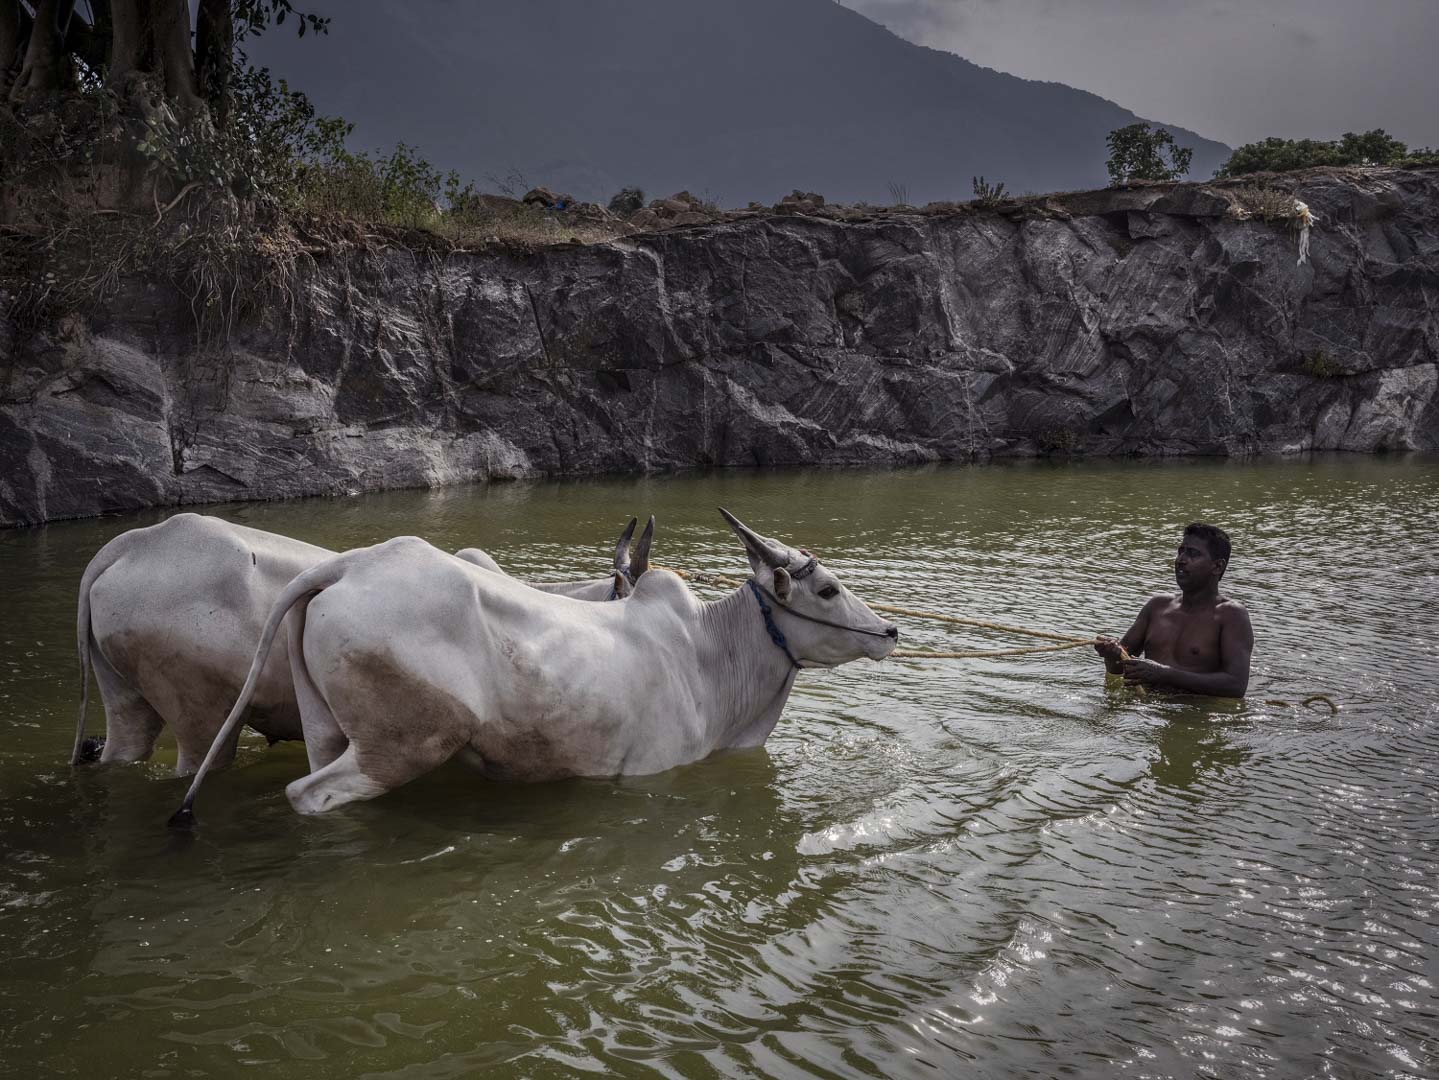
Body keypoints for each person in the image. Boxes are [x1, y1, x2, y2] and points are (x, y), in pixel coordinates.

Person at [1095, 523, 1254, 698]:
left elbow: (1236, 686)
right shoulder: (1157, 606)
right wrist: (1110, 654)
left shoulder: (1231, 615)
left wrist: (1164, 674)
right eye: (1181, 551)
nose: (1181, 559)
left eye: (1193, 553)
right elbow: (1121, 666)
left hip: (1196, 717)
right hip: (1148, 714)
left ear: (1217, 567)